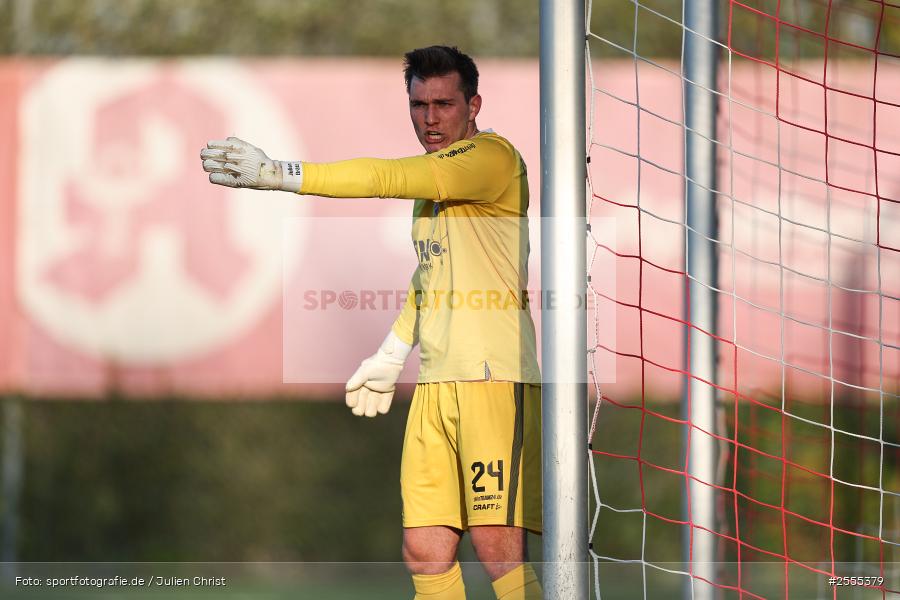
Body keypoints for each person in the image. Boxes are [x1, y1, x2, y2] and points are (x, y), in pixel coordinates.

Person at [200, 45, 542, 600]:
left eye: (444, 104)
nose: (430, 119)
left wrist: (280, 174)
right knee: (424, 552)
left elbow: (383, 174)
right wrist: (390, 354)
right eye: (419, 105)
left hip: (492, 379)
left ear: (474, 104)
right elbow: (427, 280)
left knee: (496, 545)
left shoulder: (492, 160)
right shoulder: (432, 194)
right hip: (437, 383)